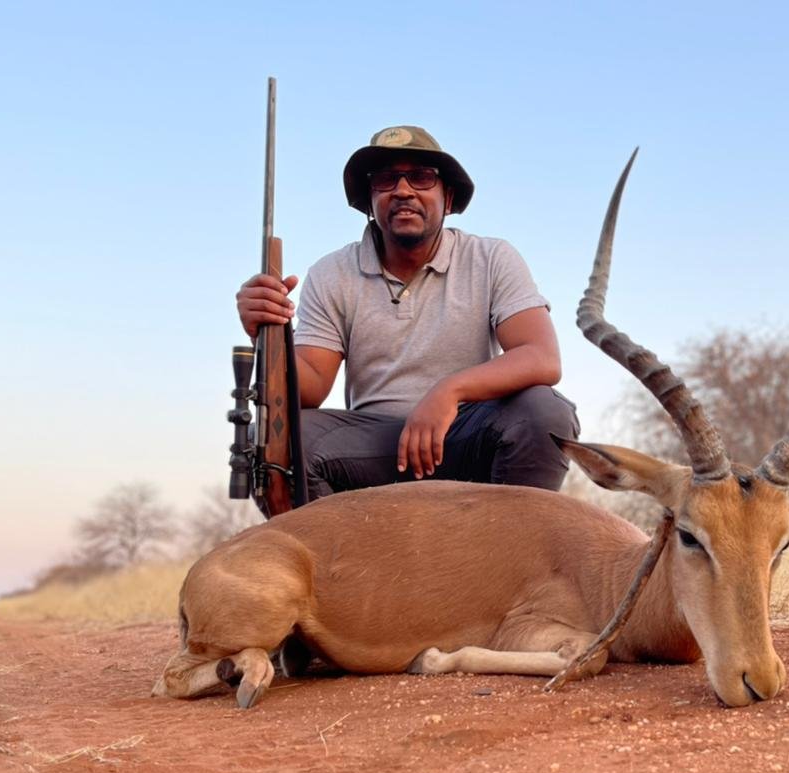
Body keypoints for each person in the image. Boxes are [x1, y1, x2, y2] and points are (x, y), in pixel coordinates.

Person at [235, 125, 579, 501]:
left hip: (465, 434)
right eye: (386, 179)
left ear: (448, 198)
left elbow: (541, 357)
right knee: (277, 440)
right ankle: (338, 559)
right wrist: (268, 333)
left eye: (420, 177)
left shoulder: (492, 257)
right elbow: (312, 385)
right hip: (372, 447)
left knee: (544, 412)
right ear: (370, 200)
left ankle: (511, 553)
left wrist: (448, 392)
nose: (402, 190)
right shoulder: (332, 272)